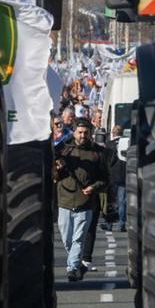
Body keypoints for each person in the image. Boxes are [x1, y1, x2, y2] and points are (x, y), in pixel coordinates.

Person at [54, 119, 107, 282]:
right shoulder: (62, 150)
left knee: (78, 239)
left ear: (90, 133)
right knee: (67, 239)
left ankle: (72, 269)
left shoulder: (98, 153)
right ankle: (78, 265)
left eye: (86, 133)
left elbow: (105, 178)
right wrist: (57, 166)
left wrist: (94, 187)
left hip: (85, 203)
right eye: (80, 132)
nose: (83, 135)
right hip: (64, 201)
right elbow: (52, 173)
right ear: (74, 132)